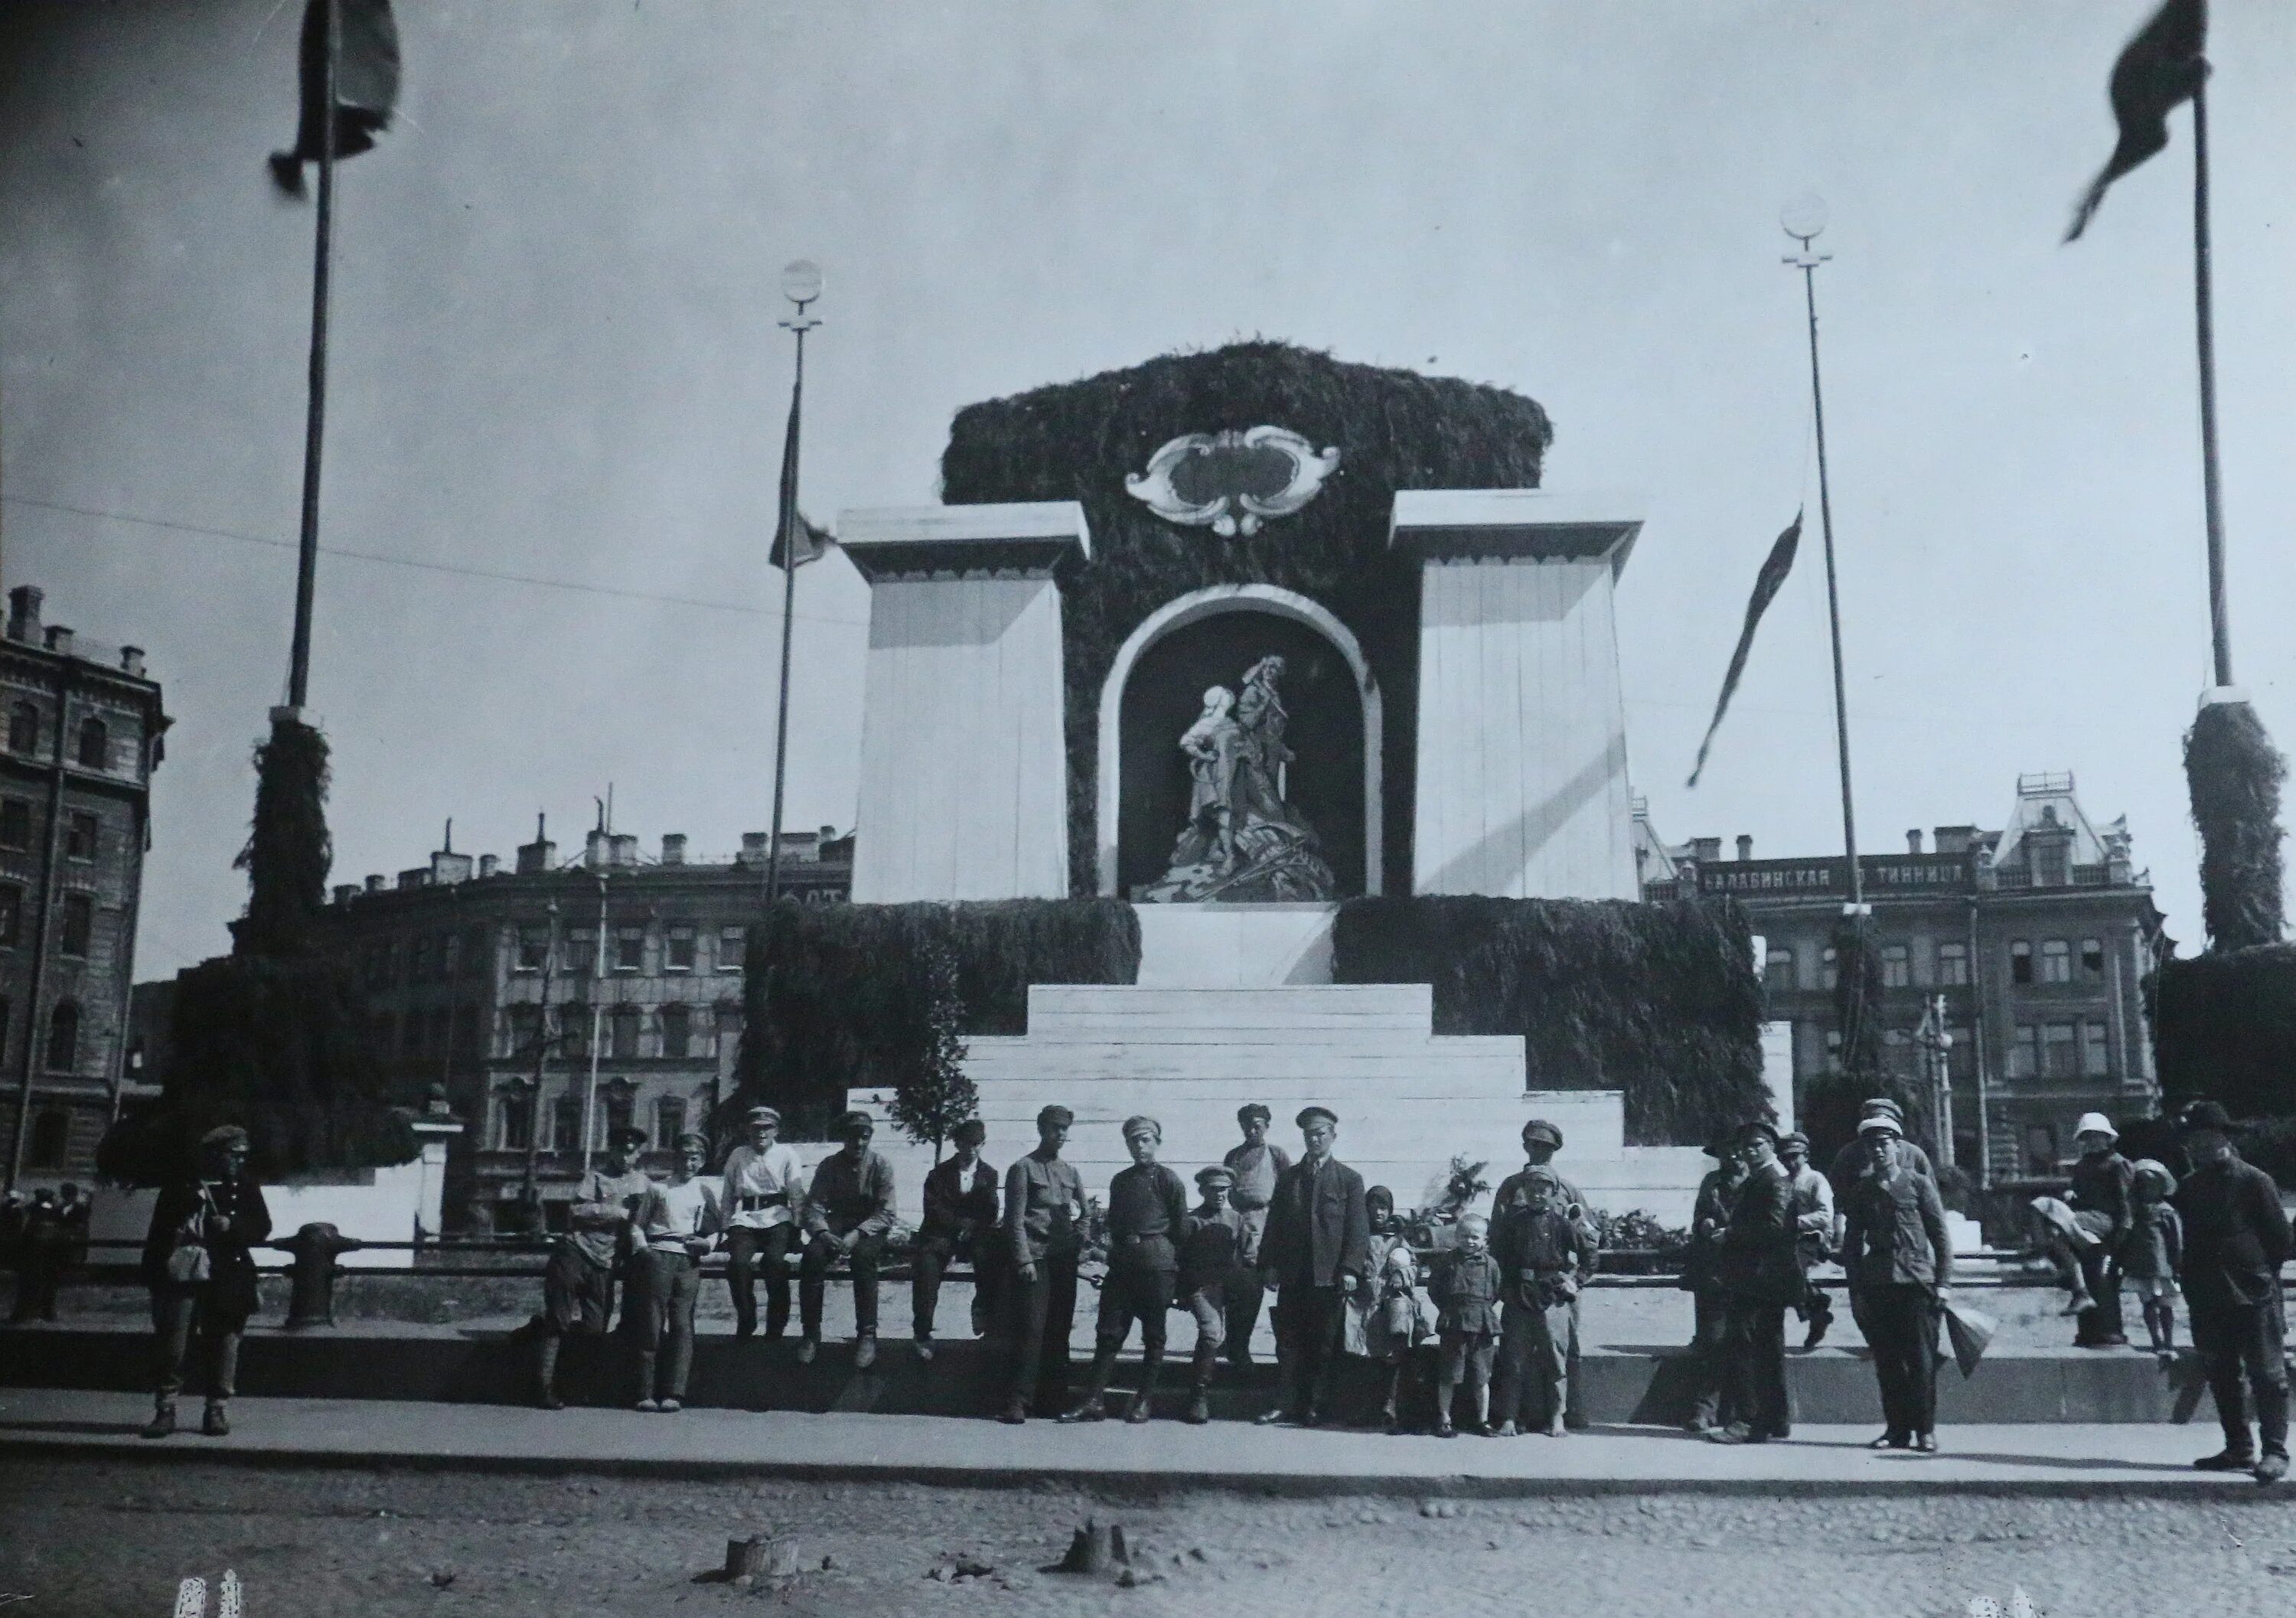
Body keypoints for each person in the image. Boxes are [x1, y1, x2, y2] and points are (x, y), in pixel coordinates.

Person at [2171, 1101, 2291, 1483]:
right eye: (2194, 1141)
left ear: (2225, 1138)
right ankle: (2238, 1448)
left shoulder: (2255, 1181)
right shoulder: (2189, 1187)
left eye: (2209, 1138)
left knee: (2268, 1375)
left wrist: (2257, 1274)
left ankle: (2275, 1451)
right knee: (2221, 1373)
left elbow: (2281, 1240)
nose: (2201, 1147)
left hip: (2253, 1292)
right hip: (2207, 1294)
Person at [140, 1125, 273, 1439]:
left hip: (227, 1274)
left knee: (226, 1342)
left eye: (243, 1156)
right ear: (214, 1155)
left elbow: (262, 1226)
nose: (239, 1162)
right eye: (233, 1155)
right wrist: (153, 1276)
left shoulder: (247, 1186)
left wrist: (233, 1226)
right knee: (173, 1344)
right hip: (183, 1274)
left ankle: (216, 1409)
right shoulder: (181, 1186)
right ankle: (166, 1408)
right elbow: (158, 1235)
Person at [1063, 1116, 1190, 1424]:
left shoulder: (1169, 1180)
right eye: (1134, 1140)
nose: (1140, 1146)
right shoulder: (1120, 1181)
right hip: (1123, 1267)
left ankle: (1144, 1401)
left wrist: (1166, 1262)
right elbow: (1116, 1225)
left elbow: (1182, 1231)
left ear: (1157, 1142)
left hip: (1156, 1267)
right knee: (1108, 1333)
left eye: (1146, 1139)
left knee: (1153, 1335)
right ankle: (1094, 1400)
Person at [1839, 1114, 1952, 1453]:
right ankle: (1896, 1430)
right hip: (1878, 1284)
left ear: (1897, 1146)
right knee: (1888, 1362)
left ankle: (1925, 1431)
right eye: (1871, 1144)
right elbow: (1851, 1244)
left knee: (1922, 1361)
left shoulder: (1918, 1184)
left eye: (1884, 1143)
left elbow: (1941, 1237)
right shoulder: (1862, 1189)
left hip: (1918, 1282)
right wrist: (1857, 1290)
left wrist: (1943, 1284)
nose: (1877, 1150)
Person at [1256, 1105, 1369, 1427]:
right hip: (1294, 1274)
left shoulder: (1349, 1180)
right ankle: (1284, 1403)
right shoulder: (1290, 1178)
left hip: (1329, 1276)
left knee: (1323, 1343)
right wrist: (1270, 1264)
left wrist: (1350, 1269)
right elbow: (1275, 1224)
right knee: (1288, 1342)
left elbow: (1358, 1229)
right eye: (1309, 1134)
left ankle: (1314, 1405)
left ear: (1333, 1136)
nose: (1314, 1139)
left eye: (1320, 1133)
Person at [534, 1122, 654, 1410]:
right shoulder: (596, 1177)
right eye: (619, 1150)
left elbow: (647, 1222)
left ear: (638, 1154)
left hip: (607, 1262)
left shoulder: (645, 1184)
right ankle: (543, 1387)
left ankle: (577, 1387)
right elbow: (577, 1210)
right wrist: (616, 1212)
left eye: (631, 1151)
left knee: (595, 1327)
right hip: (576, 1251)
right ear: (611, 1151)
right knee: (559, 1320)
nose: (625, 1156)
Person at [1490, 1119, 1592, 1424]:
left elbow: (1589, 1236)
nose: (1541, 1152)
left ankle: (1570, 1412)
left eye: (1547, 1147)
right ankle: (1518, 1415)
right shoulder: (1511, 1187)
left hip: (1560, 1285)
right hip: (1522, 1283)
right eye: (1535, 1145)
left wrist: (1575, 1280)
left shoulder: (1568, 1189)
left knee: (1564, 1350)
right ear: (1525, 1146)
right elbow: (1497, 1237)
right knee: (1516, 1352)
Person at [1709, 1120, 1797, 1444]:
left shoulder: (1773, 1180)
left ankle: (1748, 1422)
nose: (1749, 1151)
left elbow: (1774, 1229)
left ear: (1772, 1146)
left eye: (1757, 1145)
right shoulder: (1764, 1178)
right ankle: (1776, 1419)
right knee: (1768, 1350)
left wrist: (1730, 1234)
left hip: (1759, 1279)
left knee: (1746, 1349)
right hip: (1764, 1279)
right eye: (1746, 1146)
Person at [1001, 1104, 1085, 1424]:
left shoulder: (1070, 1172)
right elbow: (1014, 1219)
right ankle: (1019, 1401)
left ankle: (1054, 1400)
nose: (1059, 1134)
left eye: (1064, 1129)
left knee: (1059, 1331)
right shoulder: (1023, 1168)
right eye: (1054, 1128)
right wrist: (1023, 1258)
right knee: (1031, 1330)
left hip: (1063, 1261)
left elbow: (1086, 1215)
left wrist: (1080, 1241)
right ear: (1041, 1129)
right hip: (1035, 1259)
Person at [631, 1130, 722, 1412]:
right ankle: (645, 1392)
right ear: (675, 1159)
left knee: (682, 1326)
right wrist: (644, 1251)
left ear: (702, 1161)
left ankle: (674, 1393)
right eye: (684, 1158)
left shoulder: (704, 1191)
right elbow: (637, 1225)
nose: (689, 1164)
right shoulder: (659, 1189)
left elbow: (717, 1228)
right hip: (659, 1256)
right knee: (652, 1324)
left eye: (695, 1158)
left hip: (687, 1262)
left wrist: (706, 1244)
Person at [799, 1111, 895, 1367]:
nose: (859, 1143)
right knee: (812, 1256)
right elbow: (815, 1207)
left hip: (870, 1227)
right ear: (845, 1138)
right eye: (853, 1137)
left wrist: (859, 1233)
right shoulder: (829, 1166)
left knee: (863, 1259)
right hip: (836, 1224)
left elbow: (886, 1211)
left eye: (864, 1137)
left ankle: (866, 1335)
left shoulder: (881, 1165)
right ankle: (810, 1333)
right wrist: (823, 1233)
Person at [914, 1118, 1000, 1362]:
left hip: (974, 1235)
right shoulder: (939, 1174)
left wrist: (971, 1228)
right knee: (927, 1267)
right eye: (966, 1143)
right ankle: (922, 1332)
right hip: (942, 1233)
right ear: (957, 1144)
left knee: (990, 1259)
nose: (971, 1149)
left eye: (976, 1144)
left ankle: (983, 1312)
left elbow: (990, 1209)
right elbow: (933, 1209)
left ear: (982, 1145)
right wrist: (958, 1225)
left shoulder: (989, 1174)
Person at [1347, 1185, 1430, 1434]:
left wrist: (1402, 1275)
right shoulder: (1359, 1236)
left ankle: (1390, 1408)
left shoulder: (1398, 1239)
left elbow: (1413, 1266)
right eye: (1373, 1208)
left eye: (1383, 1208)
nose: (1378, 1214)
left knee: (1392, 1356)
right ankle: (1366, 1408)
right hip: (1365, 1305)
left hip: (1390, 1306)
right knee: (1365, 1357)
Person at [719, 1104, 807, 1339]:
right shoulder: (738, 1155)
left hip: (778, 1217)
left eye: (767, 1128)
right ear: (747, 1130)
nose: (761, 1133)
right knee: (737, 1264)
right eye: (756, 1128)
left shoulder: (787, 1154)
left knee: (774, 1262)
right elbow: (728, 1193)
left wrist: (798, 1229)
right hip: (746, 1219)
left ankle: (776, 1324)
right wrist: (724, 1227)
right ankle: (746, 1318)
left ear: (776, 1131)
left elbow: (796, 1194)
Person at [1679, 1135, 1745, 1434]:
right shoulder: (1712, 1182)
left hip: (1745, 1273)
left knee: (1743, 1346)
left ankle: (1737, 1413)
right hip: (1714, 1272)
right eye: (1724, 1153)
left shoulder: (1755, 1181)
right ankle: (1705, 1410)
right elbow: (1699, 1217)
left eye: (1735, 1152)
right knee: (1712, 1341)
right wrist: (1704, 1223)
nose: (1730, 1158)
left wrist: (1733, 1232)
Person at [1176, 1163, 1248, 1424]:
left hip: (1227, 1286)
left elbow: (1247, 1254)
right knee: (1210, 1331)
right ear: (1203, 1190)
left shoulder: (1236, 1220)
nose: (1220, 1195)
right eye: (1214, 1189)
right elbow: (1181, 1258)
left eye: (1224, 1190)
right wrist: (1183, 1291)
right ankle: (1199, 1395)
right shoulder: (1192, 1221)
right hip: (1201, 1287)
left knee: (1224, 1334)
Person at [1220, 1103, 1291, 1368]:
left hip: (1269, 1225)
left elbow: (1289, 1193)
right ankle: (1234, 1342)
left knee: (1259, 1288)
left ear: (1267, 1127)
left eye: (1257, 1125)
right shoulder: (1233, 1156)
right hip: (1239, 1225)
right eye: (1247, 1125)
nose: (1252, 1130)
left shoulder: (1276, 1155)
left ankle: (1256, 1347)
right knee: (1237, 1286)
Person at [2064, 1113, 2134, 1347]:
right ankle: (2088, 1331)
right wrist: (2072, 1197)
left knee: (2105, 1280)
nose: (2094, 1141)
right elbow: (2078, 1195)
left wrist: (2124, 1232)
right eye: (2089, 1137)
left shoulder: (2117, 1164)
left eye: (2098, 1137)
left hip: (2108, 1225)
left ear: (2108, 1138)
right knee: (2090, 1274)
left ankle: (2110, 1329)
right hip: (2084, 1225)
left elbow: (2126, 1201)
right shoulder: (2082, 1166)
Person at [1430, 1213, 1502, 1437]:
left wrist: (1480, 1308)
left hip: (1482, 1324)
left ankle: (1483, 1420)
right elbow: (1435, 1289)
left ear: (1484, 1240)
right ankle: (1445, 1419)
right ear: (1456, 1237)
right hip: (1454, 1322)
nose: (1469, 1242)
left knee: (1482, 1375)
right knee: (1449, 1374)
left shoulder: (1490, 1264)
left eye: (1475, 1237)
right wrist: (1450, 1308)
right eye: (1464, 1236)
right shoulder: (1447, 1261)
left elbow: (1496, 1290)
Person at [1777, 1131, 1836, 1349]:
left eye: (1795, 1156)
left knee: (1792, 1266)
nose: (1790, 1162)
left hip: (1814, 1239)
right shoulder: (1782, 1182)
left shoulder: (1815, 1180)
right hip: (1788, 1240)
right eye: (1785, 1158)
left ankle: (1815, 1309)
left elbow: (1825, 1214)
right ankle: (1816, 1309)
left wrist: (1797, 1222)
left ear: (1806, 1155)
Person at [2125, 1158, 2184, 1365]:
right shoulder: (2134, 1211)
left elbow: (2176, 1239)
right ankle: (2156, 1340)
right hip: (2142, 1266)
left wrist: (2177, 1263)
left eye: (2152, 1186)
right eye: (2142, 1185)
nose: (2147, 1190)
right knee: (2148, 1302)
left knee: (2166, 1304)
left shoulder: (2166, 1211)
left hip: (2163, 1266)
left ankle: (2169, 1341)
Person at [8, 1188, 64, 1323]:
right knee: (47, 1285)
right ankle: (46, 1312)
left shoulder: (28, 1210)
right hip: (47, 1255)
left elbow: (22, 1232)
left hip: (30, 1255)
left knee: (27, 1285)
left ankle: (23, 1313)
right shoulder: (53, 1211)